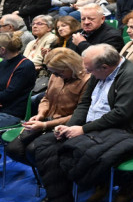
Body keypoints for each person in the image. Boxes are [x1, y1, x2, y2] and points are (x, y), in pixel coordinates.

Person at [33, 45, 133, 202]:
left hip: (124, 131)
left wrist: (82, 130)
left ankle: (129, 180)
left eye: (89, 70)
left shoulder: (132, 76)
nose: (86, 73)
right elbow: (84, 104)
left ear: (105, 67)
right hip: (95, 128)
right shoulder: (98, 75)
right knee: (42, 145)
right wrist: (70, 126)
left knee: (71, 153)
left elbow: (120, 114)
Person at [4, 48, 90, 183]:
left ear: (71, 66)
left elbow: (80, 113)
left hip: (67, 125)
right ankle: (49, 175)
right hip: (46, 119)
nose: (56, 75)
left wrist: (45, 124)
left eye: (59, 72)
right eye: (53, 72)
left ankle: (54, 181)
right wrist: (40, 115)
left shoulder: (87, 80)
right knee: (13, 149)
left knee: (34, 150)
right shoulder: (55, 75)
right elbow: (46, 99)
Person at [0, 33, 37, 128]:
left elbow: (9, 94)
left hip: (12, 113)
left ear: (2, 50)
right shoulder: (4, 63)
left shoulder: (25, 66)